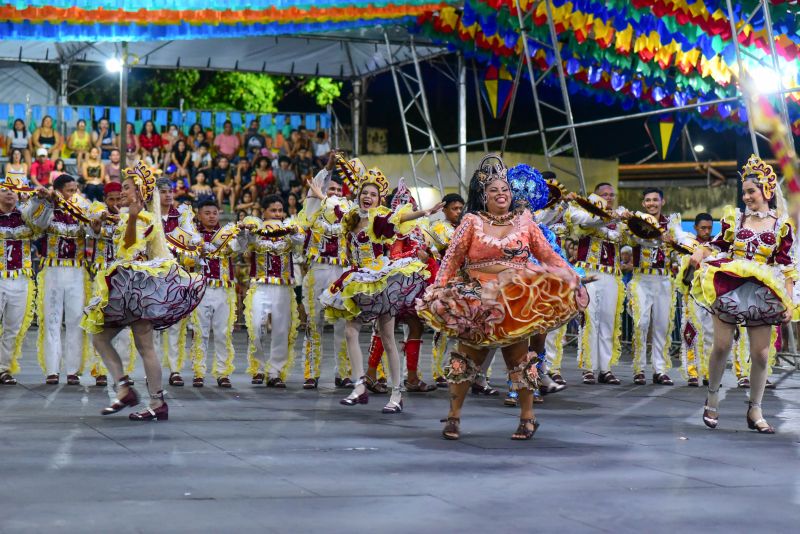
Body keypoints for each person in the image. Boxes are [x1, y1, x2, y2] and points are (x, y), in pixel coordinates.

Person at [417, 155, 583, 440]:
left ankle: (527, 418)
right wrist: (437, 288)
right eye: (494, 190)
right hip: (476, 300)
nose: (501, 194)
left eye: (505, 190)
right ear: (484, 195)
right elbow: (452, 260)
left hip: (514, 300)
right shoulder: (471, 222)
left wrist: (572, 277)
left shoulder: (526, 223)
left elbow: (548, 255)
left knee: (519, 360)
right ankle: (454, 417)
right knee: (465, 360)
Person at [82, 161, 206, 421]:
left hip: (136, 289)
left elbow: (129, 248)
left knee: (143, 345)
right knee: (100, 337)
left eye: (127, 188)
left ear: (139, 193)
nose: (123, 192)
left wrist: (134, 217)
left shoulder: (145, 218)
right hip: (129, 288)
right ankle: (127, 388)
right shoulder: (131, 216)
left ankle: (155, 400)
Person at [318, 158, 442, 413]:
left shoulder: (379, 220)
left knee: (387, 337)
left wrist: (424, 212)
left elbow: (398, 219)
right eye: (365, 193)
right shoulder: (351, 217)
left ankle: (396, 395)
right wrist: (319, 191)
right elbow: (332, 206)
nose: (368, 197)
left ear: (379, 199)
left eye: (373, 194)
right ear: (359, 195)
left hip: (380, 281)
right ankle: (360, 384)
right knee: (351, 331)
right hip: (356, 279)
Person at [689, 156, 796, 434]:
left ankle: (755, 409)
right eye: (744, 191)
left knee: (761, 354)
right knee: (722, 346)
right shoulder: (734, 218)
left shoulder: (782, 225)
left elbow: (786, 265)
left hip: (762, 291)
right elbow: (717, 244)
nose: (746, 196)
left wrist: (789, 299)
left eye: (751, 191)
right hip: (730, 286)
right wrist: (701, 251)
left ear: (766, 191)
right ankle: (712, 398)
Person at [28, 174, 91, 385]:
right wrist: (47, 201)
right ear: (58, 190)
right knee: (52, 321)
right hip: (52, 270)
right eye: (69, 190)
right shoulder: (48, 207)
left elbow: (93, 229)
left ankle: (73, 370)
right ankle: (52, 370)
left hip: (76, 272)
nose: (73, 195)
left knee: (75, 321)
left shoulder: (82, 207)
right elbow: (38, 224)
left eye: (75, 190)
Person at [625, 187, 691, 385]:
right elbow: (633, 239)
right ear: (643, 204)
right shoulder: (636, 222)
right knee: (641, 323)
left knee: (662, 326)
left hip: (663, 280)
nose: (651, 203)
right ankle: (639, 369)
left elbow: (681, 238)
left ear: (662, 201)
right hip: (641, 279)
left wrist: (687, 244)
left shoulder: (671, 223)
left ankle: (660, 370)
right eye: (648, 200)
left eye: (655, 200)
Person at [565, 183, 628, 385]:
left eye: (611, 195)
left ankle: (606, 368)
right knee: (589, 320)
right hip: (589, 272)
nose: (608, 198)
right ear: (595, 197)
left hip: (610, 275)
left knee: (608, 322)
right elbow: (587, 224)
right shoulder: (584, 214)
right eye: (604, 195)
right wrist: (610, 219)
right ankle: (588, 368)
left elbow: (622, 236)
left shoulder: (619, 219)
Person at [297, 158, 352, 389]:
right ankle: (311, 373)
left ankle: (344, 374)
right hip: (318, 270)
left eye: (339, 190)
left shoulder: (349, 214)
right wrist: (328, 168)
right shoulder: (313, 211)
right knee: (314, 323)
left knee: (343, 326)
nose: (336, 193)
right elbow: (314, 190)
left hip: (342, 271)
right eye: (331, 189)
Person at [240, 195, 305, 387]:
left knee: (281, 329)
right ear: (264, 212)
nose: (277, 214)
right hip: (260, 285)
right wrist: (244, 231)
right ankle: (258, 368)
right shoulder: (256, 228)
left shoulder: (290, 228)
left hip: (284, 286)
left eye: (280, 210)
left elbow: (300, 242)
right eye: (273, 210)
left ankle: (275, 371)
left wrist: (293, 231)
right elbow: (241, 246)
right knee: (256, 328)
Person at [85, 182, 135, 386]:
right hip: (101, 276)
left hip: (123, 276)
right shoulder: (98, 213)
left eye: (118, 198)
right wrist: (96, 227)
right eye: (111, 199)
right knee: (99, 323)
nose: (115, 203)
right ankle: (100, 371)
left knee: (123, 326)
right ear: (105, 199)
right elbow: (90, 231)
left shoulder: (130, 217)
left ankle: (122, 372)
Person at [154, 178, 201, 387]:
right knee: (153, 325)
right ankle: (153, 369)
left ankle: (175, 369)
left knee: (175, 325)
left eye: (170, 191)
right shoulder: (149, 215)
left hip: (176, 274)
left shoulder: (182, 214)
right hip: (153, 275)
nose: (168, 195)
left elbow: (192, 238)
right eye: (163, 191)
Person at [0, 178, 47, 385]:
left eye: (12, 190)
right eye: (4, 190)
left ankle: (3, 368)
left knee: (13, 327)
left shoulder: (26, 217)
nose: (9, 193)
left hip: (20, 279)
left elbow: (42, 225)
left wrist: (39, 201)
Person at [189, 201, 240, 388]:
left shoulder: (227, 234)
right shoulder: (193, 236)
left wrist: (244, 235)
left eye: (215, 213)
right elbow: (186, 260)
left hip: (224, 289)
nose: (212, 216)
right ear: (199, 215)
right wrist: (197, 253)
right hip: (201, 289)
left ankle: (223, 372)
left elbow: (238, 249)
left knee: (223, 332)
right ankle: (198, 372)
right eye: (207, 213)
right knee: (199, 332)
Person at [427, 192, 465, 387]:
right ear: (444, 209)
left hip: (465, 285)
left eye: (460, 208)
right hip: (446, 284)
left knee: (463, 330)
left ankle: (458, 369)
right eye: (454, 208)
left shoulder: (466, 228)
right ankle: (438, 371)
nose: (458, 212)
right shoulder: (439, 228)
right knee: (442, 330)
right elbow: (431, 255)